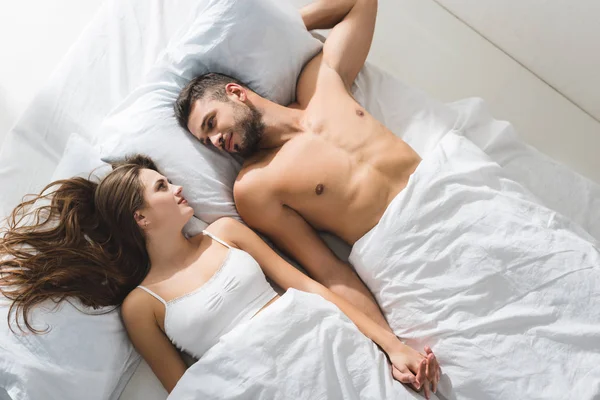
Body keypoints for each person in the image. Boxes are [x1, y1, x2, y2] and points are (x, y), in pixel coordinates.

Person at [0, 155, 440, 397]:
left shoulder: (225, 234)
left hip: (322, 343)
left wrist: (391, 344)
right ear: (141, 218)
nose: (176, 188)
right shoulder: (142, 305)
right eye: (160, 187)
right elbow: (185, 391)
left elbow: (308, 287)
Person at [174, 0, 418, 334]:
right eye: (206, 140)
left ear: (235, 93)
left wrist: (288, 27)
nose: (215, 140)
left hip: (448, 190)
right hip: (408, 250)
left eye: (211, 122)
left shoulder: (319, 84)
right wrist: (391, 344)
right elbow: (329, 270)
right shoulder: (256, 186)